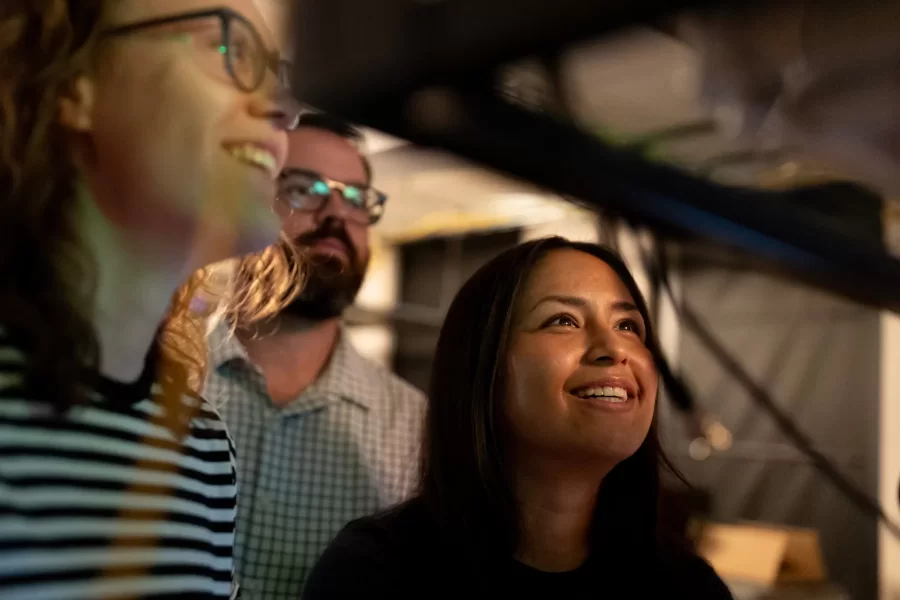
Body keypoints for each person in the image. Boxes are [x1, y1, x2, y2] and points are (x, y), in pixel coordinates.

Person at [0, 1, 299, 598]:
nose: (285, 110)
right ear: (72, 84)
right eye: (227, 48)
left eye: (277, 73)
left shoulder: (202, 453)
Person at [303, 236, 734, 599]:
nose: (613, 348)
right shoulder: (376, 572)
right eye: (563, 320)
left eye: (628, 326)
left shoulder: (689, 588)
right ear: (482, 367)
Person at [205, 112, 426, 598]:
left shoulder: (416, 432)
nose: (335, 215)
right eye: (304, 188)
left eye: (354, 197)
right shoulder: (161, 378)